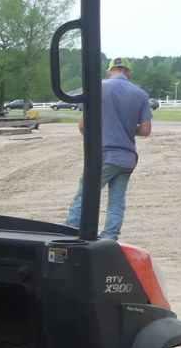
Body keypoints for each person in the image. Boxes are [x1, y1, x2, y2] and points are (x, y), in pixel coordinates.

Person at [65, 57, 152, 240]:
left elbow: (83, 126)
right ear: (128, 72)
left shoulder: (97, 88)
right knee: (117, 200)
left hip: (103, 155)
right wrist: (126, 128)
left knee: (86, 192)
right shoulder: (140, 94)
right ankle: (110, 236)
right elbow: (145, 130)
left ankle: (71, 229)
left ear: (109, 70)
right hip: (127, 157)